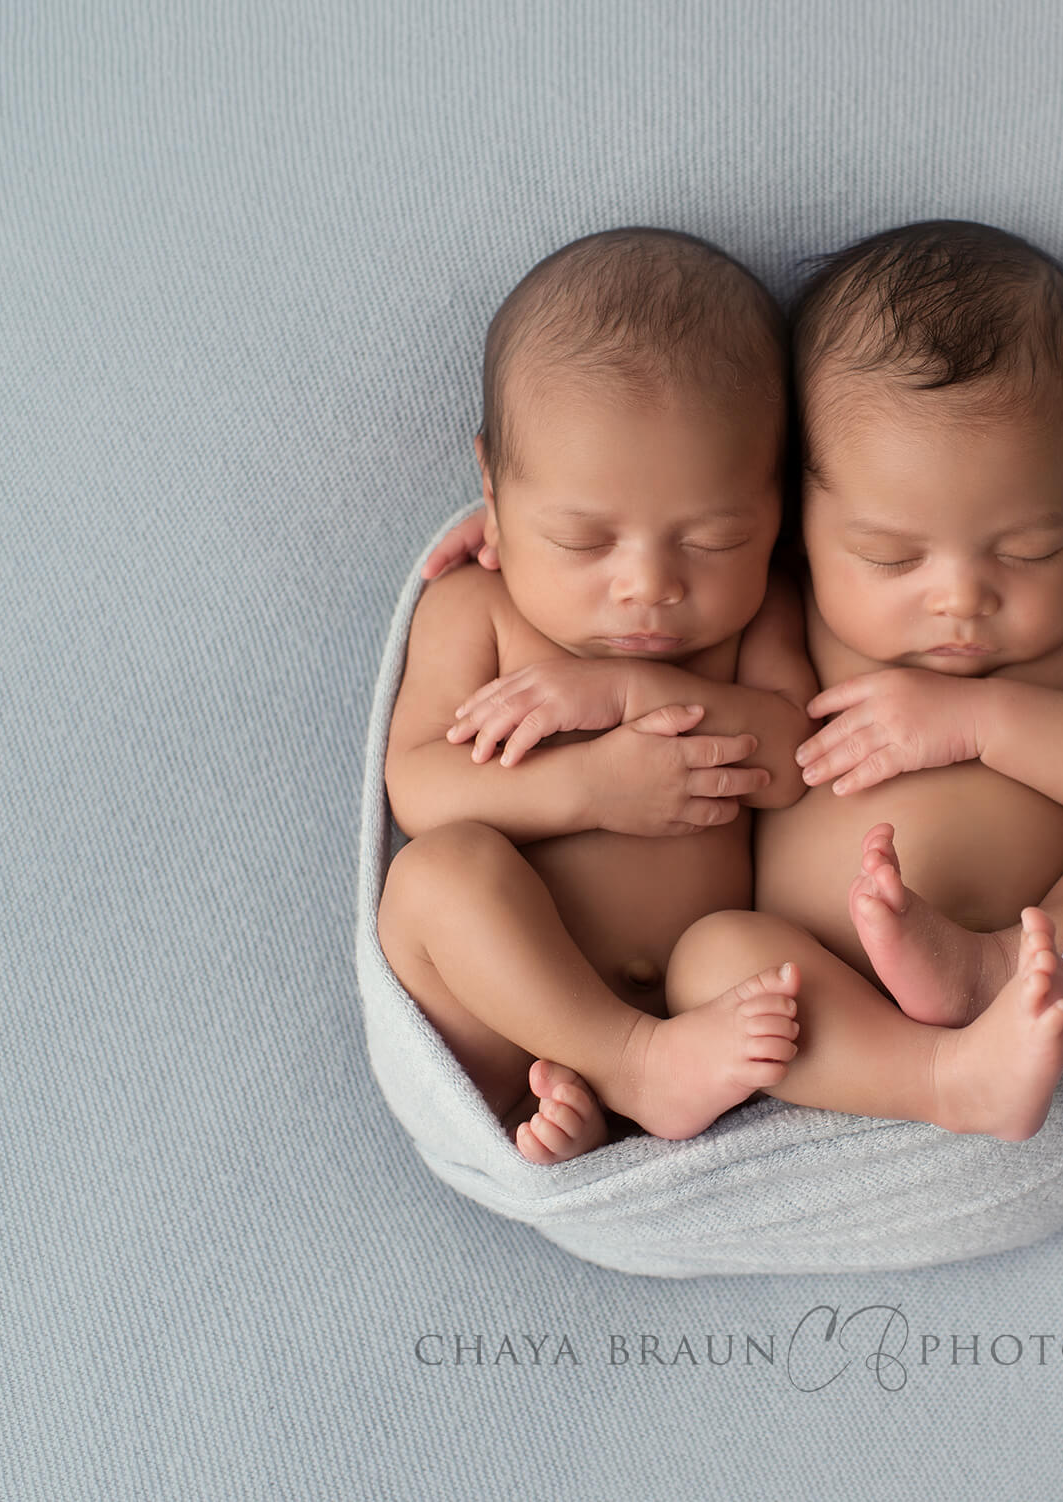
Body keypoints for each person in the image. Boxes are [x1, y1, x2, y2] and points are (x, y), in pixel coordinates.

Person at [441, 221, 1063, 1147]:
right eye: (890, 555)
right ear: (808, 518)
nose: (960, 599)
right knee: (709, 961)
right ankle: (920, 1076)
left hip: (1032, 964)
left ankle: (973, 1014)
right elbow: (423, 788)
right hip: (785, 991)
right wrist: (517, 533)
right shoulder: (782, 605)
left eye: (1031, 551)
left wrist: (984, 719)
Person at [377, 227, 817, 1166]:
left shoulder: (755, 617)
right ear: (492, 490)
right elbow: (417, 786)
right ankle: (620, 1064)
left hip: (707, 1014)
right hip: (511, 1020)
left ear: (777, 507)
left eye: (711, 540)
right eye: (583, 541)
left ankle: (616, 1091)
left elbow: (793, 763)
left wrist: (621, 689)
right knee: (434, 879)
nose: (648, 586)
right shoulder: (476, 611)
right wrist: (586, 791)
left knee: (771, 957)